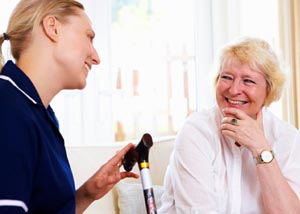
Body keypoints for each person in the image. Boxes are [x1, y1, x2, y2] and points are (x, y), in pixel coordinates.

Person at [0, 0, 139, 213]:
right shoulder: (8, 109)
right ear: (52, 28)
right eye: (89, 37)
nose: (96, 57)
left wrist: (87, 194)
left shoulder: (40, 114)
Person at [158, 37, 300, 213]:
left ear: (269, 90)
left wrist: (260, 148)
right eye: (226, 77)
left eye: (248, 81)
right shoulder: (196, 131)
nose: (233, 90)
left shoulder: (289, 138)